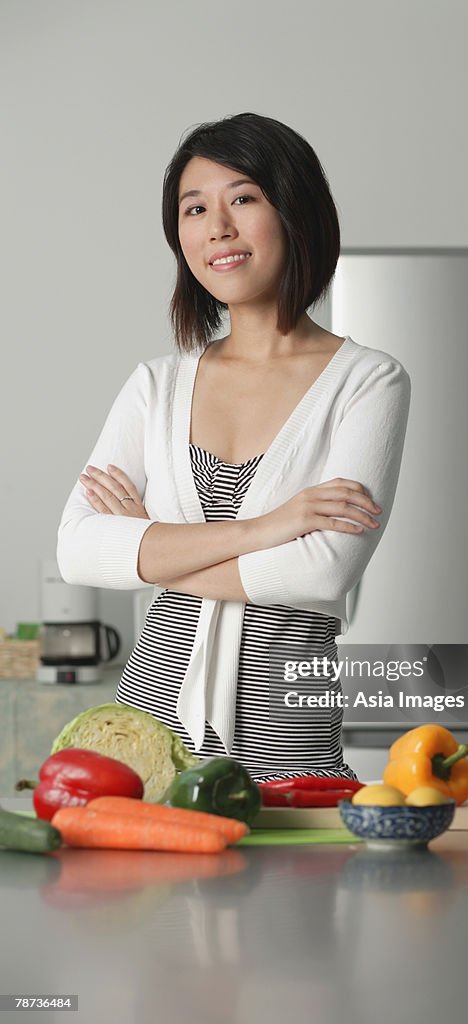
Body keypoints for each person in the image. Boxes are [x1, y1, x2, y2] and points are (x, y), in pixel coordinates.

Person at [57, 113, 410, 781]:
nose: (217, 225)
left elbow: (321, 572)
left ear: (294, 210)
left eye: (242, 198)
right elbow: (76, 550)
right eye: (195, 208)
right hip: (143, 736)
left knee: (298, 886)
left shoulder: (367, 381)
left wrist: (145, 548)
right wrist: (269, 527)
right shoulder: (155, 386)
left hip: (288, 747)